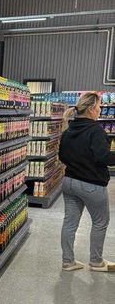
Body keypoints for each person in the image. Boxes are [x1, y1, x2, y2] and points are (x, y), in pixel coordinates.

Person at [59, 91, 115, 272]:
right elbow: (103, 157)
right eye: (98, 106)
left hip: (69, 182)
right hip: (91, 184)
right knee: (100, 222)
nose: (100, 110)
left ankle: (68, 262)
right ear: (91, 109)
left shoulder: (69, 129)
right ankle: (96, 262)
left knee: (70, 223)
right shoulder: (95, 130)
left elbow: (62, 156)